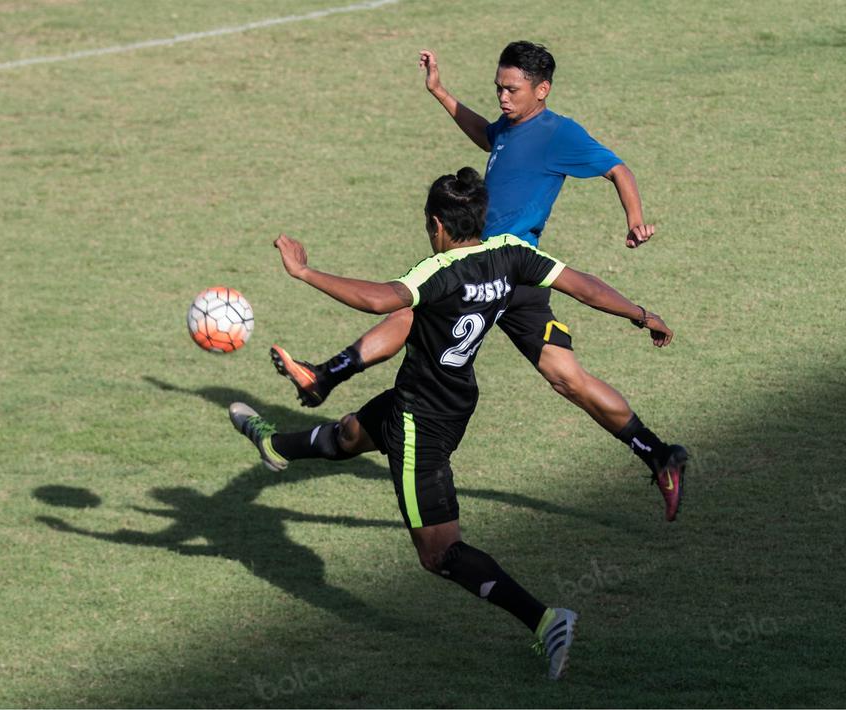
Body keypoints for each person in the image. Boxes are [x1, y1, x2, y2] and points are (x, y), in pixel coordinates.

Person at [230, 168, 676, 680]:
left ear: (436, 224)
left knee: (440, 554)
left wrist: (305, 272)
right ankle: (276, 444)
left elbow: (381, 300)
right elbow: (585, 288)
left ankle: (545, 620)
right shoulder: (510, 251)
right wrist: (641, 315)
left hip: (420, 419)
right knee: (352, 433)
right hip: (452, 398)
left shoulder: (436, 271)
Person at [269, 41, 688, 521]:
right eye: (498, 88)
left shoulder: (559, 134)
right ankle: (659, 455)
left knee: (411, 309)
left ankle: (327, 374)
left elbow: (618, 168)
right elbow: (488, 136)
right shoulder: (510, 126)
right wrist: (441, 93)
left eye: (511, 90)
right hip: (492, 264)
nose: (502, 98)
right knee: (565, 377)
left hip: (508, 267)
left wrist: (635, 221)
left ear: (542, 90)